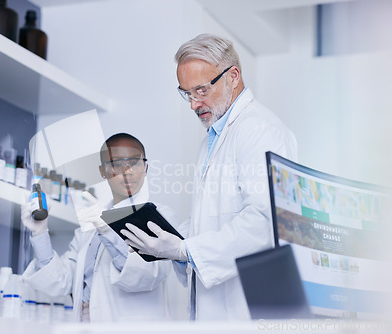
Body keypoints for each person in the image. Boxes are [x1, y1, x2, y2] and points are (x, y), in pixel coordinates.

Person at [121, 34, 298, 321]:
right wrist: (174, 240)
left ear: (233, 76)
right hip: (217, 310)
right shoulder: (213, 138)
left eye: (201, 91)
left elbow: (265, 223)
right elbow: (214, 217)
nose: (193, 104)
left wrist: (185, 249)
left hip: (249, 311)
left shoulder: (260, 130)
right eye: (187, 93)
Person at [21, 133, 179, 322]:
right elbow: (61, 283)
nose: (127, 171)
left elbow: (147, 276)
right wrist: (40, 233)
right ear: (103, 171)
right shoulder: (89, 225)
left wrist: (107, 231)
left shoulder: (161, 217)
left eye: (135, 163)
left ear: (145, 168)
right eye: (117, 164)